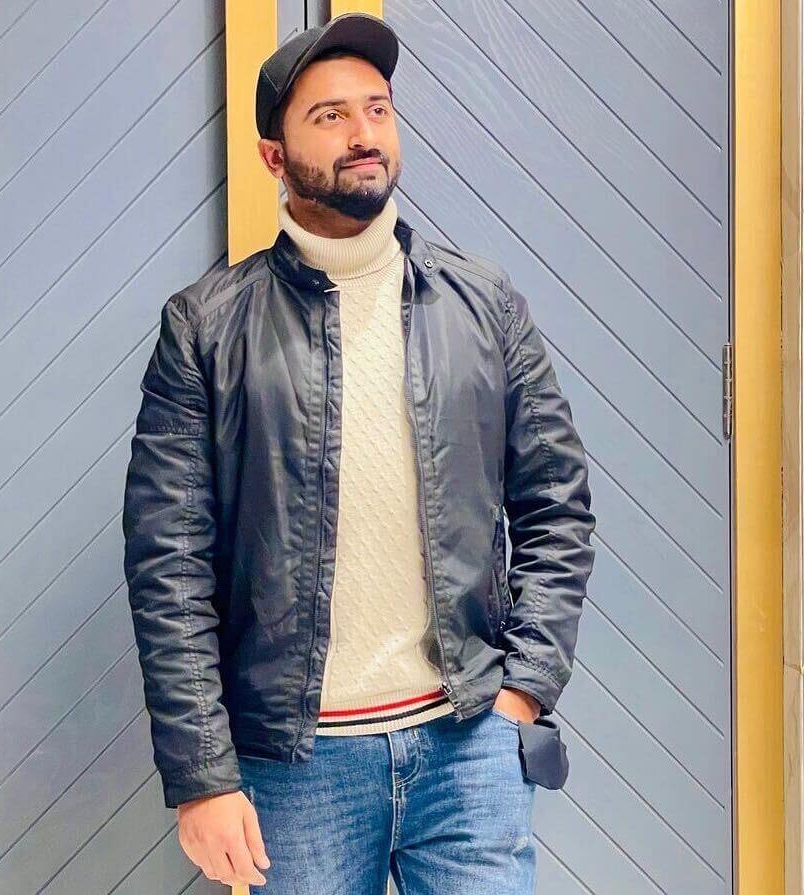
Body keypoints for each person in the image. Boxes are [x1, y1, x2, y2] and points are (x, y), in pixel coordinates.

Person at [122, 12, 596, 893]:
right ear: (273, 156)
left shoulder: (483, 304)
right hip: (295, 765)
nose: (363, 133)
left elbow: (556, 504)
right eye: (330, 116)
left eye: (376, 109)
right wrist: (203, 776)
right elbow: (169, 565)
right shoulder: (206, 328)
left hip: (467, 744)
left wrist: (521, 691)